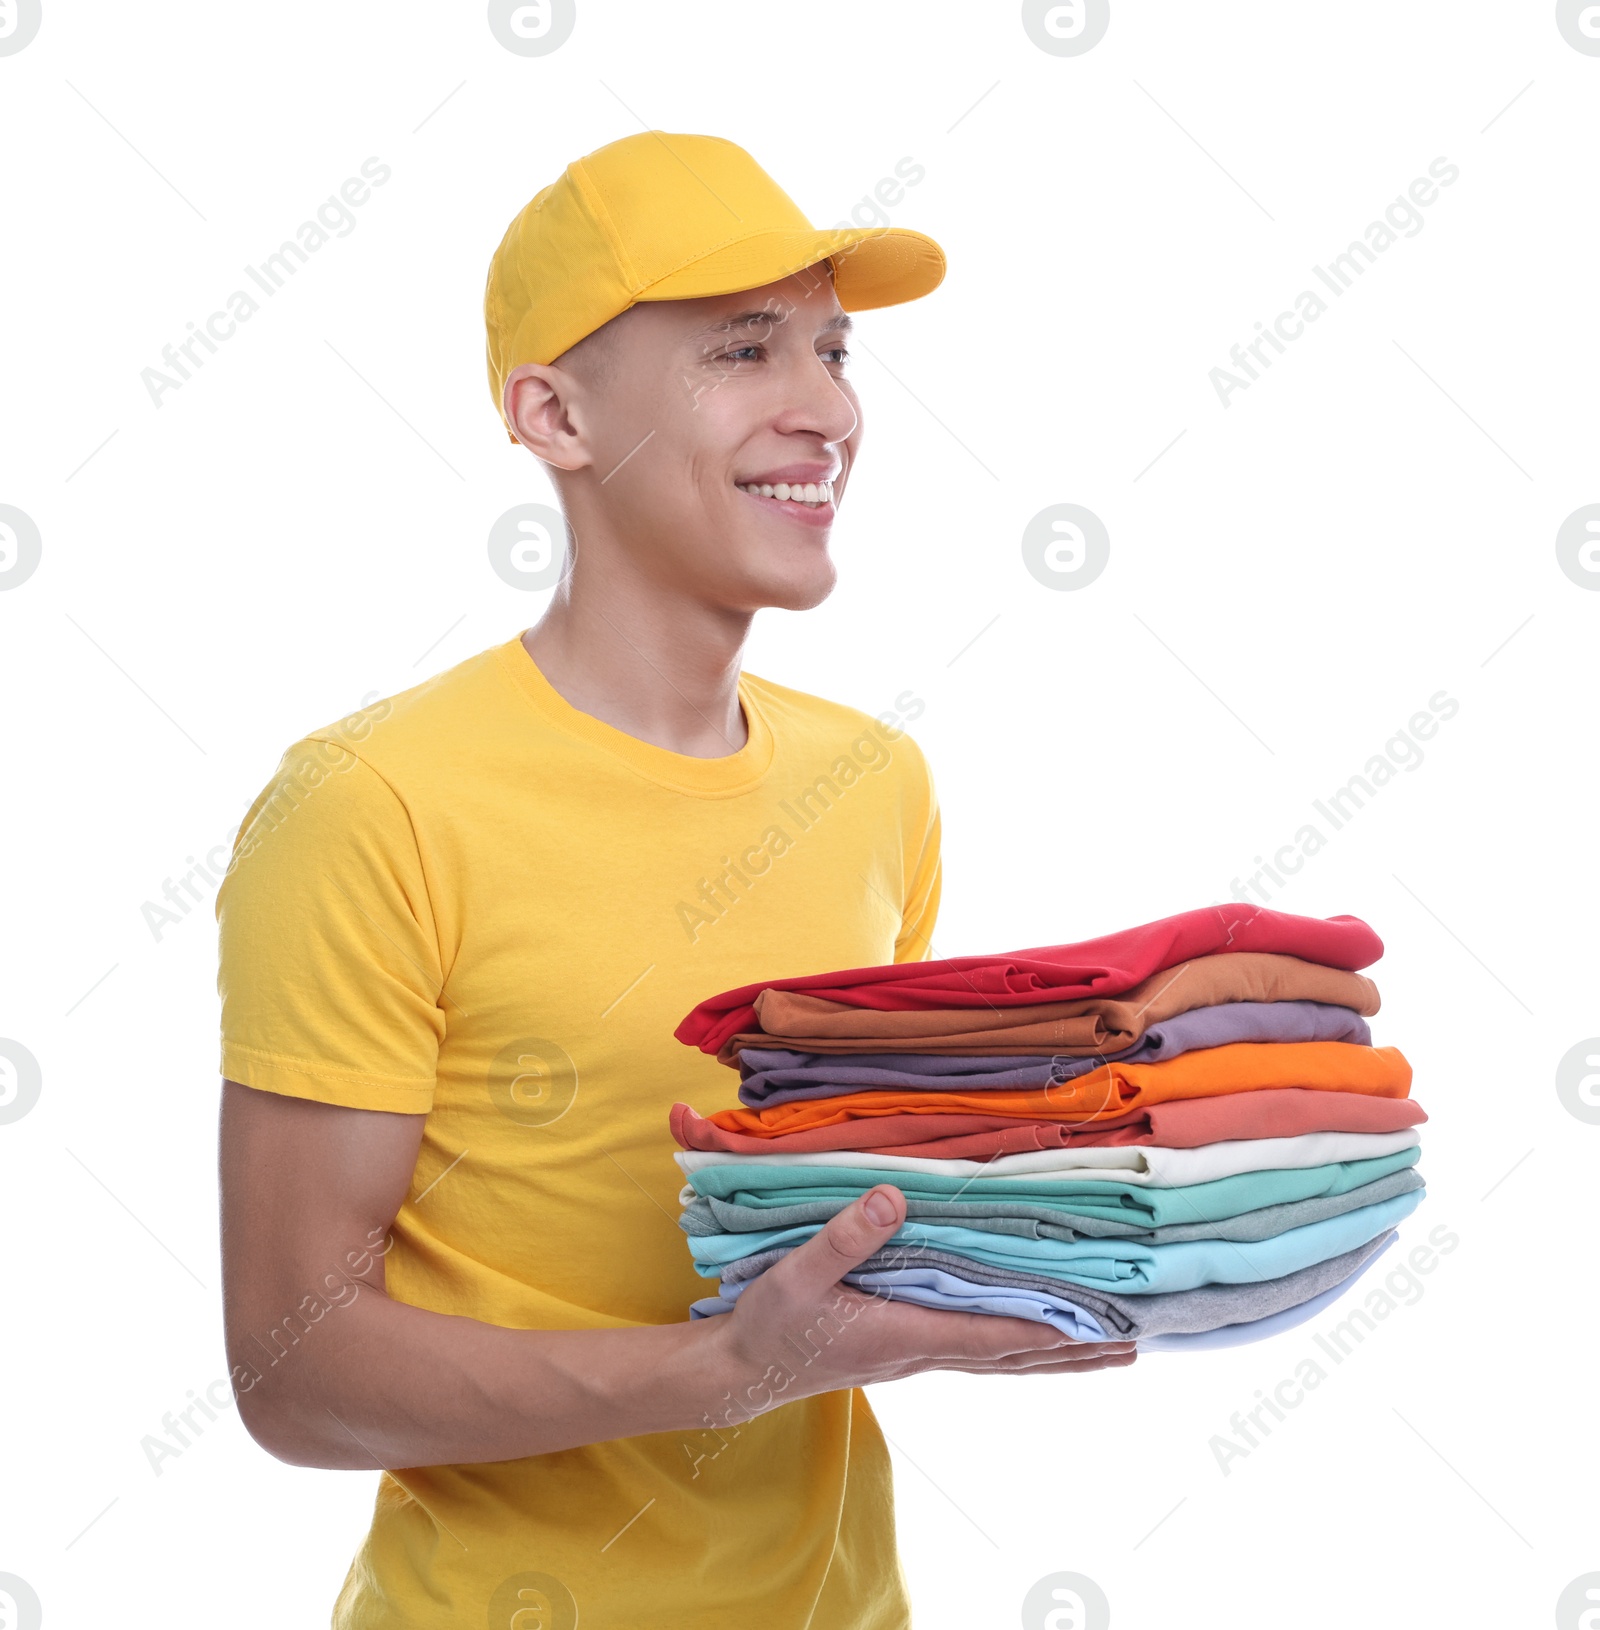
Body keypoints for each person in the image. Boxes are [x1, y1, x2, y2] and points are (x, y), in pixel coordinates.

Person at [215, 129, 1135, 1630]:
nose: (825, 406)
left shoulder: (876, 787)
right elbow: (293, 1372)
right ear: (554, 414)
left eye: (834, 350)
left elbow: (835, 1214)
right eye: (741, 348)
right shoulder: (371, 804)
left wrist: (1069, 1235)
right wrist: (719, 1372)